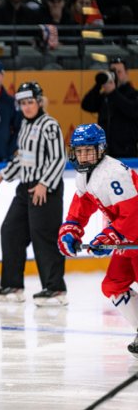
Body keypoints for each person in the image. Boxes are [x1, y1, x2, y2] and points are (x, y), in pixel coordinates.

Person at [58, 123, 138, 356]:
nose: (83, 156)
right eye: (79, 151)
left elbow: (133, 214)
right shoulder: (85, 175)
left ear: (100, 149)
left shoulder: (114, 173)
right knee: (113, 285)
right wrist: (71, 229)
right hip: (130, 240)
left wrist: (109, 237)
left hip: (132, 233)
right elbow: (80, 208)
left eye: (88, 151)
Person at [0, 81, 67, 306]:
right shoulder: (24, 125)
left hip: (45, 189)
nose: (27, 107)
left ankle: (55, 289)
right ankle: (13, 285)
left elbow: (59, 158)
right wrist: (2, 176)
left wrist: (45, 183)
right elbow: (22, 158)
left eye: (30, 102)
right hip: (25, 189)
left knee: (44, 237)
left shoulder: (50, 125)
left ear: (39, 101)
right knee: (10, 231)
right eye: (23, 103)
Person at [81, 57, 138, 159]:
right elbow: (86, 105)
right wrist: (98, 84)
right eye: (113, 72)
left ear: (126, 73)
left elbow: (133, 110)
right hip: (105, 152)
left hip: (126, 152)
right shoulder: (106, 96)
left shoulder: (133, 94)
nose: (116, 75)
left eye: (119, 72)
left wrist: (113, 92)